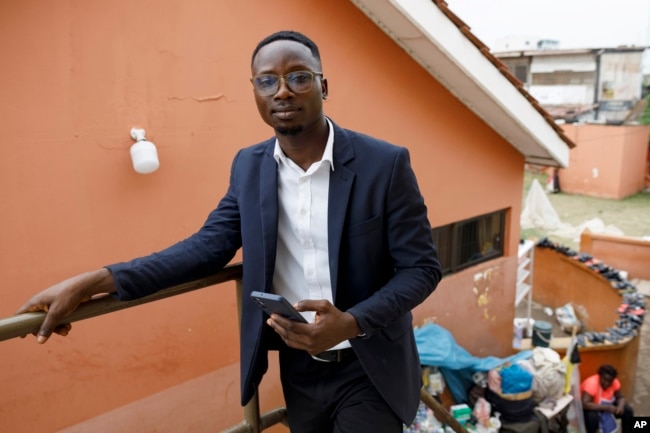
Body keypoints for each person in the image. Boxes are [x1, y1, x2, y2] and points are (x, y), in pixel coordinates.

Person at [16, 30, 442, 433]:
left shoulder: (384, 165)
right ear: (255, 92)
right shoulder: (249, 167)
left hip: (368, 363)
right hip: (297, 365)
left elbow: (421, 269)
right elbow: (206, 248)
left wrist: (350, 323)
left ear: (323, 86)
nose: (283, 91)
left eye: (298, 77)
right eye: (267, 81)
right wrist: (95, 281)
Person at [581, 364, 634, 433]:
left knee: (627, 410)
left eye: (609, 381)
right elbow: (585, 404)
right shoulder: (592, 384)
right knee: (592, 417)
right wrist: (607, 408)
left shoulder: (614, 382)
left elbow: (621, 397)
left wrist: (620, 407)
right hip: (591, 408)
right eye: (604, 380)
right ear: (600, 376)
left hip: (606, 406)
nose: (606, 383)